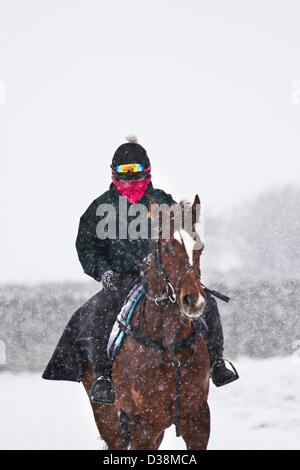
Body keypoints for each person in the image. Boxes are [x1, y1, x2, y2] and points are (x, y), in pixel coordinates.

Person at [75, 135, 239, 404]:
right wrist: (103, 271)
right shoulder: (100, 207)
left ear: (147, 170)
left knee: (205, 301)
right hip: (121, 279)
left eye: (135, 172)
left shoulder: (162, 201)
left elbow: (183, 234)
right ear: (114, 174)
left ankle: (217, 363)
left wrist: (183, 267)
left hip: (164, 276)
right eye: (124, 173)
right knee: (103, 309)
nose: (130, 179)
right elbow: (86, 244)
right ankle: (103, 378)